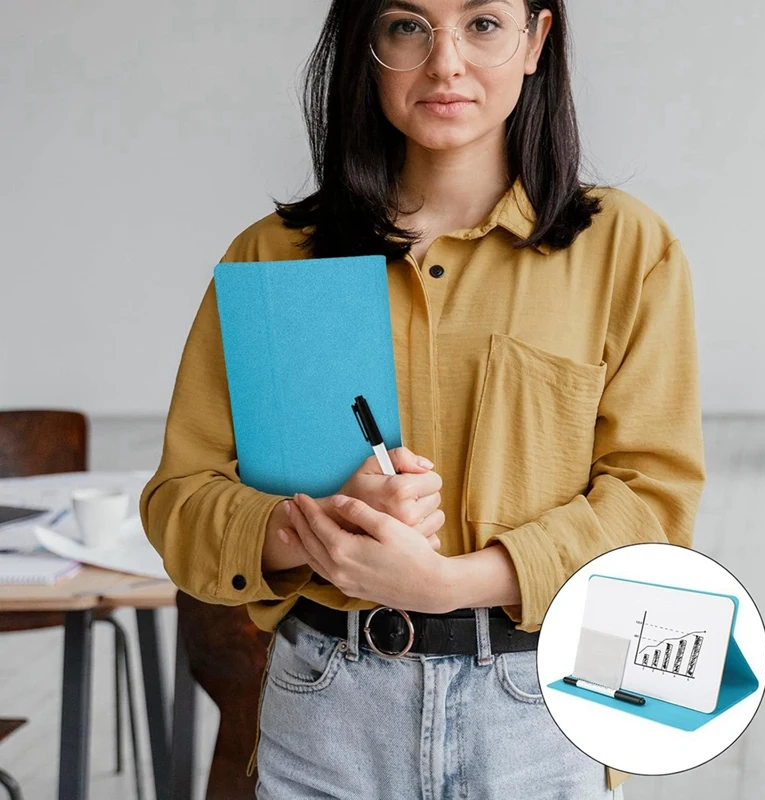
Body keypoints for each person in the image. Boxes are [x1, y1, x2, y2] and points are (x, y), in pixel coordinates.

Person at [140, 0, 706, 797]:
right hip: (325, 711)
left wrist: (450, 584)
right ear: (366, 44)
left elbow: (653, 509)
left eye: (482, 24)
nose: (445, 64)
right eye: (408, 25)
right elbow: (180, 505)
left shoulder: (626, 250)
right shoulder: (273, 260)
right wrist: (308, 526)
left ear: (536, 40)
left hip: (536, 714)